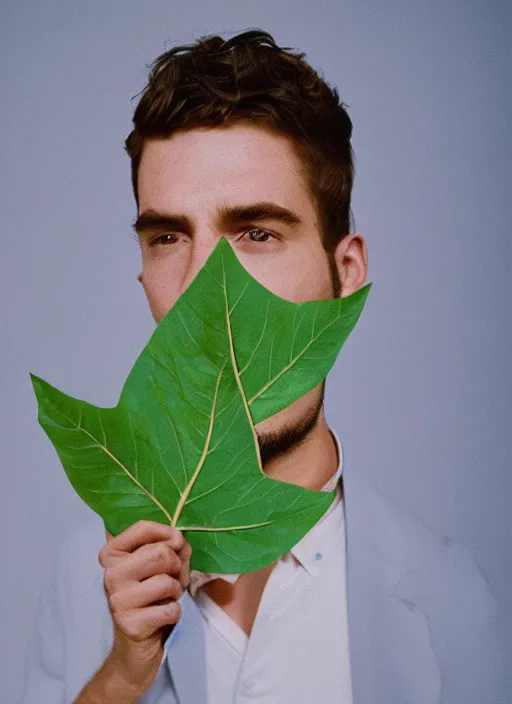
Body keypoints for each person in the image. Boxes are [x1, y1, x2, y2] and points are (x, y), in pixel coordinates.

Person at [20, 29, 503, 704]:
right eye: (168, 236)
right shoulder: (84, 581)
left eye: (256, 233)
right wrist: (119, 679)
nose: (205, 298)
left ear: (347, 273)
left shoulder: (453, 605)